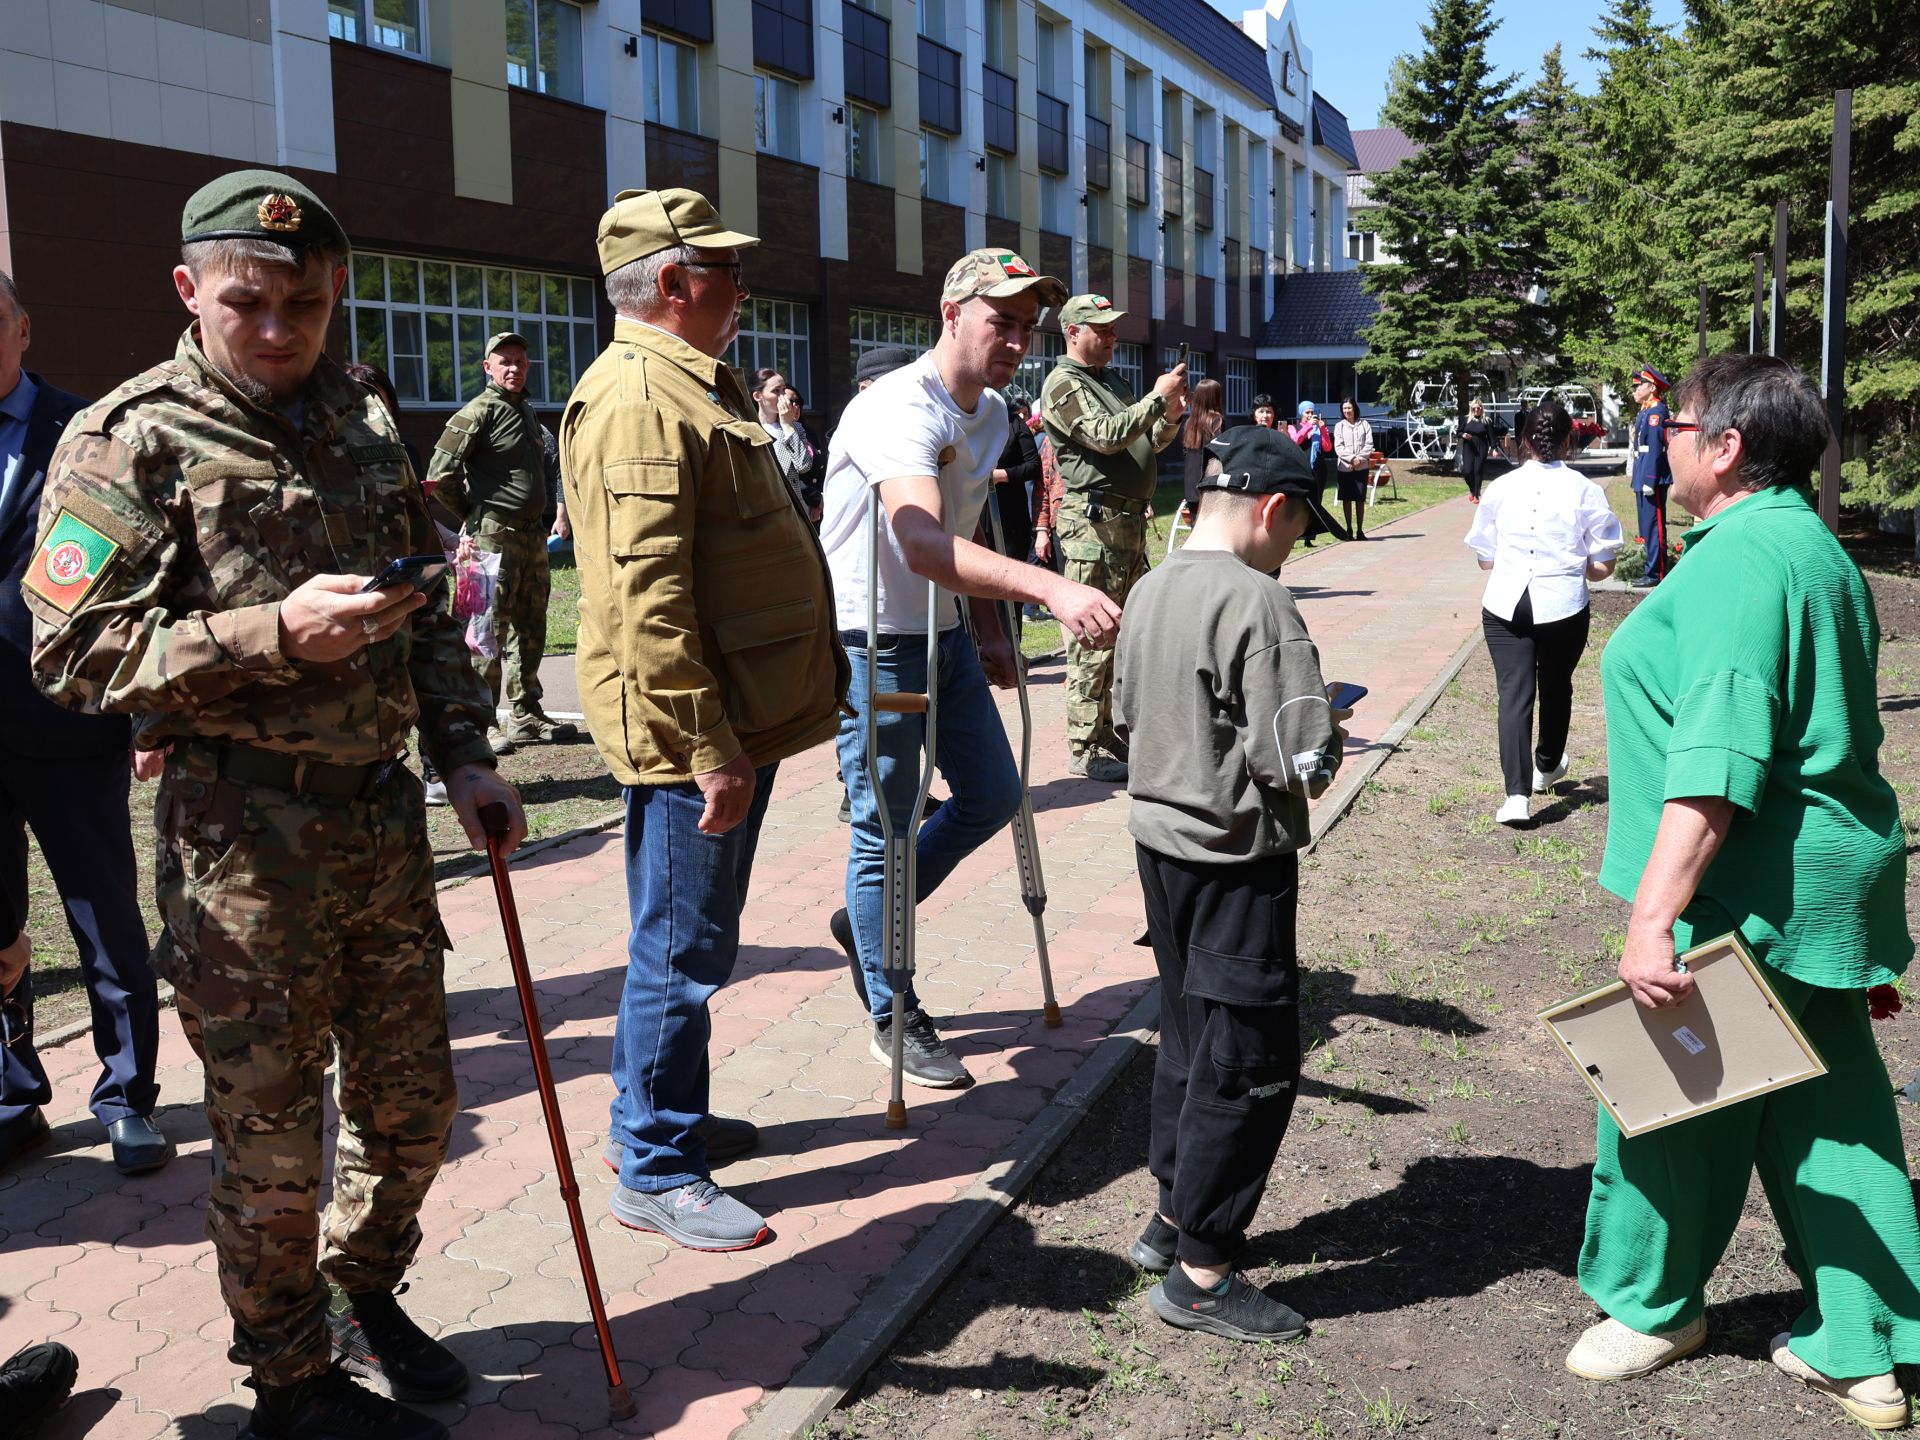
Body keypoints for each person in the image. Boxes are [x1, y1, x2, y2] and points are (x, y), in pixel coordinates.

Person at [26, 168, 525, 1440]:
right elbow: (67, 654)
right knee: (271, 1142)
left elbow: (421, 616)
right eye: (248, 301)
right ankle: (290, 1384)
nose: (277, 327)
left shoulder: (362, 415)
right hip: (239, 851)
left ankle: (359, 1295)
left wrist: (466, 754)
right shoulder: (130, 436)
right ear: (191, 290)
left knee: (416, 1110)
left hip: (383, 829)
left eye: (305, 302)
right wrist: (270, 635)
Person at [1563, 354, 1920, 1431]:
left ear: (1723, 447)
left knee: (1668, 1104)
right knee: (1832, 1114)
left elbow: (1720, 761)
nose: (1657, 440)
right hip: (1827, 885)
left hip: (1749, 890)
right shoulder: (1812, 548)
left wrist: (1652, 919)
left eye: (1672, 424)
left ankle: (1654, 1307)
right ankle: (1866, 1348)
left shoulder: (1737, 566)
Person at [560, 187, 847, 1252]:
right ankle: (654, 1163)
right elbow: (648, 602)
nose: (742, 289)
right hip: (698, 738)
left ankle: (661, 1113)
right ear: (674, 284)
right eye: (726, 272)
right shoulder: (641, 395)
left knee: (696, 941)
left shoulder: (684, 382)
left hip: (727, 723)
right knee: (677, 950)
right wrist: (708, 747)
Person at [820, 250, 1121, 1088]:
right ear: (952, 314)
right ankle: (892, 1003)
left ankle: (872, 924)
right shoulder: (895, 408)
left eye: (1028, 326)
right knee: (883, 823)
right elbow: (918, 541)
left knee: (992, 795)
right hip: (871, 638)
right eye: (1002, 321)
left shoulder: (990, 415)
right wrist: (1049, 588)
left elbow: (971, 528)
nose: (1018, 340)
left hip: (945, 634)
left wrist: (992, 630)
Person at [1113, 425, 1350, 1342]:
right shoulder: (1261, 604)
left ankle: (1171, 1217)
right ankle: (1203, 1270)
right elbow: (1296, 757)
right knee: (1248, 1060)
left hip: (1160, 846)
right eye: (1297, 529)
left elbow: (1129, 711)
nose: (1292, 548)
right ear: (1271, 508)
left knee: (1186, 1032)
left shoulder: (1149, 585)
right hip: (1236, 858)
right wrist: (1330, 733)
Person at [0, 270, 168, 1176]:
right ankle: (13, 1091)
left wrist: (144, 711)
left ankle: (127, 1095)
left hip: (67, 719)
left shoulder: (85, 429)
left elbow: (130, 579)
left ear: (23, 328)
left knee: (102, 914)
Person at [1040, 294, 1187, 781]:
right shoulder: (1063, 382)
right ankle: (1083, 746)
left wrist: (1168, 417)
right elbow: (1105, 435)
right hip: (1093, 527)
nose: (1111, 337)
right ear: (1072, 332)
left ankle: (1104, 732)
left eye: (1112, 328)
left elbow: (1147, 443)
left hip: (1124, 524)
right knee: (1092, 638)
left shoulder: (1113, 380)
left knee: (1117, 637)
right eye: (1100, 329)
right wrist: (1156, 398)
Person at [1464, 399, 1621, 827]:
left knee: (1514, 694)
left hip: (1505, 603)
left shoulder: (1500, 488)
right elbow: (1604, 565)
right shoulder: (1586, 490)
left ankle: (1515, 797)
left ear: (1523, 441)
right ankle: (1547, 765)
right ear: (1569, 440)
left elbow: (1484, 558)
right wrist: (1581, 564)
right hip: (1563, 603)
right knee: (1556, 686)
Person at [427, 331, 576, 754]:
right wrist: (474, 515)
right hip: (492, 536)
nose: (514, 368)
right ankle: (482, 720)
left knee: (532, 624)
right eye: (504, 361)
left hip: (531, 537)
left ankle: (526, 714)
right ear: (487, 367)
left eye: (521, 361)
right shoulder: (477, 412)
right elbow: (440, 477)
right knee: (486, 630)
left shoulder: (526, 411)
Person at [990, 385, 1041, 611]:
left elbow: (1033, 466)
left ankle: (1013, 638)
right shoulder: (965, 422)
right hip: (977, 513)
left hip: (1010, 514)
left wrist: (1003, 475)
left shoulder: (1014, 423)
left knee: (1011, 579)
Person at [1627, 363, 1673, 588]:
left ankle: (1656, 572)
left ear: (1652, 387)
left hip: (1650, 475)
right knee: (1646, 526)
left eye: (1639, 386)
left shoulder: (1656, 411)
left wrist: (1650, 480)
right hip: (1642, 470)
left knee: (1654, 526)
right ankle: (1650, 568)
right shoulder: (1646, 410)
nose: (1635, 390)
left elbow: (1654, 447)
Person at [1179, 378, 1226, 527]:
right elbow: (1219, 451)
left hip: (1191, 481)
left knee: (1196, 526)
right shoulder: (1217, 420)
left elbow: (1185, 451)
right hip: (1210, 479)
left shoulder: (1189, 422)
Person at [1287, 401, 1333, 548]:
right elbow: (1295, 441)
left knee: (1316, 502)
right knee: (1299, 502)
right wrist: (1307, 427)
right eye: (1307, 412)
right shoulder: (1293, 427)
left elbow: (1327, 447)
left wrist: (1323, 429)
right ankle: (1294, 536)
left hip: (1319, 469)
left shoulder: (1318, 428)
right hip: (1302, 468)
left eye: (1312, 412)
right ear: (1301, 413)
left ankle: (1309, 537)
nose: (1310, 415)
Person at [1332, 396, 1374, 540]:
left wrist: (1359, 459)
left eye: (1349, 407)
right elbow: (1338, 446)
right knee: (1347, 499)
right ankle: (1349, 529)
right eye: (1344, 408)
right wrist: (1351, 458)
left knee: (1360, 499)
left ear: (1354, 408)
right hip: (1345, 467)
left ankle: (1360, 530)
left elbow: (1369, 444)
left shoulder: (1364, 424)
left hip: (1361, 468)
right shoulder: (1339, 426)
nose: (1347, 411)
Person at [785, 387, 827, 523]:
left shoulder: (807, 430)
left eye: (798, 402)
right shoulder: (777, 433)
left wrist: (820, 502)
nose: (795, 406)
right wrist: (815, 499)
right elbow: (788, 472)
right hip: (796, 504)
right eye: (790, 402)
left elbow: (821, 465)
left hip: (818, 506)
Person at [1458, 399, 1502, 503]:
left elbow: (1491, 436)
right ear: (1472, 409)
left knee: (1477, 470)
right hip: (1468, 447)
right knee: (1467, 471)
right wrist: (1463, 435)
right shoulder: (1466, 419)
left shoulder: (1486, 420)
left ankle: (1477, 494)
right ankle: (1472, 490)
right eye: (1474, 408)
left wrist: (1494, 448)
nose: (1477, 410)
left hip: (1481, 447)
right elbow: (1458, 432)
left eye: (1479, 408)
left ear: (1481, 408)